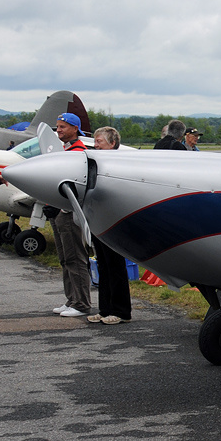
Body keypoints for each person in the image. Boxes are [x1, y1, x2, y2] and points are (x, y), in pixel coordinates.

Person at [88, 127, 132, 325]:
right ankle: (105, 308)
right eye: (95, 142)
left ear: (112, 144)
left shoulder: (118, 165)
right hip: (98, 219)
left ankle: (122, 311)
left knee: (115, 265)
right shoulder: (95, 163)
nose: (95, 145)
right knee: (103, 265)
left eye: (100, 142)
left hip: (113, 221)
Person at [51, 112, 91, 318]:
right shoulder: (66, 149)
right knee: (66, 259)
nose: (58, 130)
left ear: (75, 129)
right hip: (59, 211)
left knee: (75, 257)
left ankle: (82, 303)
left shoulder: (78, 152)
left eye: (63, 127)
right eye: (57, 127)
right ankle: (71, 299)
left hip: (69, 211)